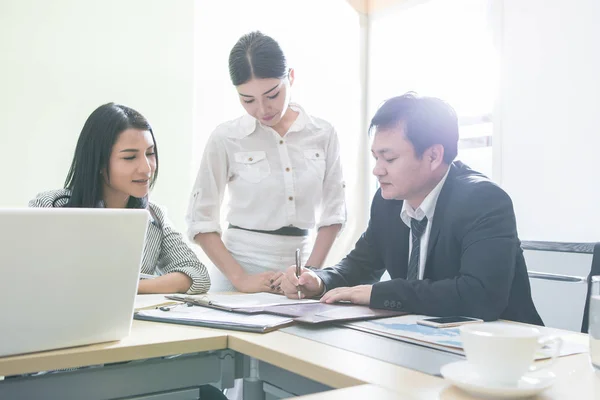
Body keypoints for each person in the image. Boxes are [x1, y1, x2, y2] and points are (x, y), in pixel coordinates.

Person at [281, 92, 543, 325]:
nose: (377, 169)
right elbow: (360, 266)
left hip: (504, 351)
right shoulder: (387, 201)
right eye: (376, 157)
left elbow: (479, 296)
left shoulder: (484, 201)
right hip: (423, 339)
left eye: (390, 158)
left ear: (433, 156)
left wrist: (379, 294)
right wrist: (319, 281)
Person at [187, 31, 346, 293]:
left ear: (290, 78)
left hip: (303, 275)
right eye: (247, 100)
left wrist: (309, 275)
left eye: (272, 95)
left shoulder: (323, 133)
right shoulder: (226, 138)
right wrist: (240, 279)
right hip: (239, 275)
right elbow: (200, 219)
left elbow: (334, 213)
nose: (262, 109)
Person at [30, 102, 211, 295]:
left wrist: (124, 289)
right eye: (130, 157)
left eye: (150, 153)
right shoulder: (49, 207)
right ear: (98, 162)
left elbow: (197, 275)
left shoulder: (154, 216)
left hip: (131, 322)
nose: (146, 168)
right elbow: (32, 275)